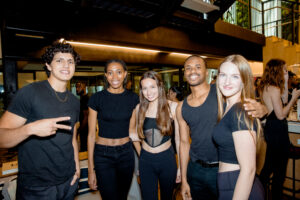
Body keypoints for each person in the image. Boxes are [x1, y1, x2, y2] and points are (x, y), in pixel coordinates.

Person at [176, 55, 268, 200]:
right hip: (196, 169)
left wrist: (262, 109)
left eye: (198, 67)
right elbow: (183, 142)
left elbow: (245, 106)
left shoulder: (222, 93)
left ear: (207, 72)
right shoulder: (182, 106)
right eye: (188, 68)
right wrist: (184, 179)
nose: (193, 70)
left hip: (221, 169)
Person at [0, 42, 81, 200]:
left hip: (68, 181)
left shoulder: (74, 101)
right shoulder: (30, 93)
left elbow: (72, 136)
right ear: (48, 65)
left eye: (70, 61)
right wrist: (29, 129)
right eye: (59, 60)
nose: (66, 65)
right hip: (37, 188)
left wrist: (77, 166)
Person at [212, 55, 264, 199]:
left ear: (244, 81)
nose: (227, 81)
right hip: (228, 182)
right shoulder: (227, 107)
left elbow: (249, 169)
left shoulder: (239, 112)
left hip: (238, 183)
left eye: (235, 76)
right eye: (223, 75)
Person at [87, 59, 139, 200]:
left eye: (118, 72)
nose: (114, 77)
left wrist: (143, 155)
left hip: (126, 154)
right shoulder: (96, 98)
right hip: (103, 156)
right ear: (105, 75)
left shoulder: (133, 98)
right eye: (110, 73)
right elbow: (91, 135)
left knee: (122, 197)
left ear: (125, 74)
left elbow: (132, 131)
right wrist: (91, 170)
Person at [129, 71, 181, 200]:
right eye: (145, 88)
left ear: (160, 86)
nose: (149, 92)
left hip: (167, 160)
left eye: (152, 87)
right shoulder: (139, 108)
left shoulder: (173, 107)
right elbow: (132, 133)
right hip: (146, 160)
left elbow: (179, 140)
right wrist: (142, 157)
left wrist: (180, 167)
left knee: (167, 197)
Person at [258, 59, 300, 200]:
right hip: (277, 130)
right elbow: (282, 114)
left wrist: (286, 80)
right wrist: (294, 98)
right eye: (284, 70)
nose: (286, 72)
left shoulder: (267, 86)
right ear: (277, 70)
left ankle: (259, 194)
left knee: (268, 167)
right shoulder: (274, 89)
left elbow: (283, 100)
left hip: (272, 129)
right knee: (279, 172)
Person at [76, 81, 89, 152]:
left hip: (85, 129)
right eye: (76, 87)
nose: (77, 89)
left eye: (79, 87)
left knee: (84, 149)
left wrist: (80, 130)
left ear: (84, 87)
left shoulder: (85, 99)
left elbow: (86, 117)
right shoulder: (81, 99)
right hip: (83, 128)